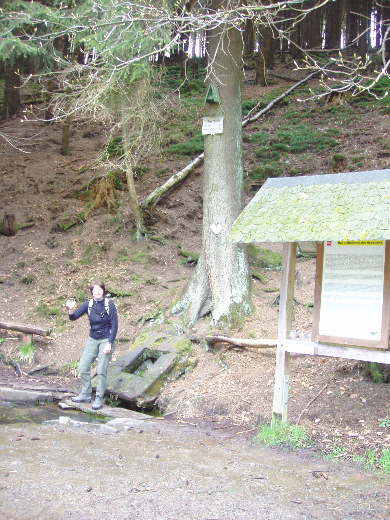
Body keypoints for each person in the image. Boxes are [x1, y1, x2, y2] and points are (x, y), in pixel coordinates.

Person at [65, 281, 118, 410]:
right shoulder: (88, 304)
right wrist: (70, 310)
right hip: (93, 338)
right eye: (95, 289)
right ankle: (86, 394)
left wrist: (109, 343)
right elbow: (74, 317)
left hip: (106, 339)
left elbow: (114, 325)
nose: (97, 291)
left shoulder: (108, 305)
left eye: (100, 289)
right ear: (92, 291)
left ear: (104, 291)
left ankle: (99, 397)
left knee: (101, 369)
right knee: (83, 366)